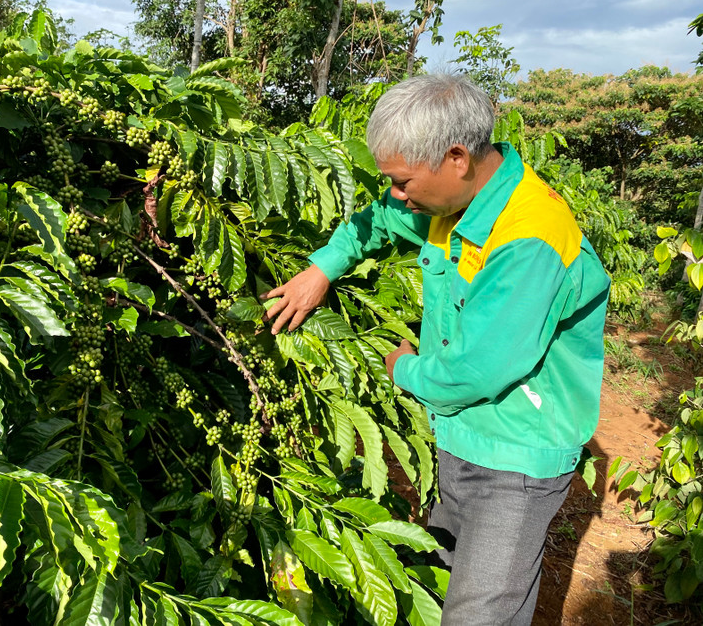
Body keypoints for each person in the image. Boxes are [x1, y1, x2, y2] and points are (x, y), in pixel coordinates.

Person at [261, 74, 610, 625]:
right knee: (447, 577)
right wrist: (321, 270)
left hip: (516, 459)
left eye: (402, 181)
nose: (397, 194)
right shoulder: (452, 202)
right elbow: (375, 221)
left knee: (480, 616)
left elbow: (474, 374)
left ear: (455, 157)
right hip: (461, 438)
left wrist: (401, 369)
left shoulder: (530, 239)